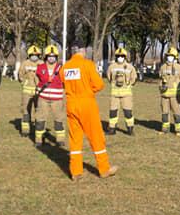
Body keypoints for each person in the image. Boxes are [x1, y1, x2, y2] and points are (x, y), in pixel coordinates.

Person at [63, 45, 117, 181]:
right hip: (86, 103)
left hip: (71, 104)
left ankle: (75, 172)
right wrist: (88, 90)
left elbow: (63, 82)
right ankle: (104, 169)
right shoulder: (88, 65)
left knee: (75, 139)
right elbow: (99, 84)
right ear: (83, 51)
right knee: (96, 137)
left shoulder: (65, 67)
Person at [35, 45, 66, 146]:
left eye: (53, 56)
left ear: (56, 57)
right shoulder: (40, 67)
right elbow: (37, 80)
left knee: (59, 119)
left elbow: (65, 82)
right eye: (49, 56)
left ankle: (60, 139)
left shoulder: (61, 68)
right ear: (46, 57)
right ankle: (39, 139)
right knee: (40, 119)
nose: (51, 58)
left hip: (57, 99)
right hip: (43, 98)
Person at [105, 46, 137, 135]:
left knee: (128, 112)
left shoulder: (130, 67)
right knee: (113, 112)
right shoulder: (111, 67)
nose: (120, 58)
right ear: (116, 56)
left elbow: (134, 78)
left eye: (122, 56)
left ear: (125, 57)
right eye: (118, 56)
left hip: (126, 95)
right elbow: (109, 77)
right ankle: (112, 129)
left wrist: (129, 84)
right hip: (114, 94)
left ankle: (130, 129)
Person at [158, 47, 180, 135]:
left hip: (175, 96)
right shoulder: (162, 67)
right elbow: (160, 79)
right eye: (168, 56)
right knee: (164, 112)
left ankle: (178, 130)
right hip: (164, 95)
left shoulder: (179, 68)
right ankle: (165, 129)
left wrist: (179, 91)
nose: (169, 57)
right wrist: (161, 87)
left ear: (175, 57)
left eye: (171, 56)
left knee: (177, 113)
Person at [16, 45, 41, 137]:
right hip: (26, 92)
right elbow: (20, 74)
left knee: (39, 111)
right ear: (29, 55)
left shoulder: (42, 63)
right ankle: (25, 130)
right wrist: (24, 82)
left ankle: (38, 130)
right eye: (32, 54)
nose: (34, 56)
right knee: (26, 110)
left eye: (36, 54)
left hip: (39, 91)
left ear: (39, 55)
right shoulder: (25, 63)